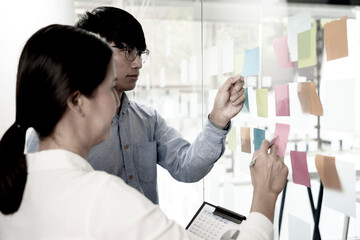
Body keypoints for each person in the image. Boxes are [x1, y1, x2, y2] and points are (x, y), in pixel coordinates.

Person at [0, 24, 288, 240]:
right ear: (76, 101)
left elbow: (186, 166)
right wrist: (266, 192)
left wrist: (217, 120)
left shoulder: (15, 183)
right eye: (107, 88)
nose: (115, 100)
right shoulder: (104, 198)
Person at [26, 6, 247, 204]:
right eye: (129, 51)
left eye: (140, 53)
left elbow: (187, 167)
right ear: (94, 49)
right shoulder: (59, 125)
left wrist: (218, 119)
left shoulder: (147, 119)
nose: (139, 63)